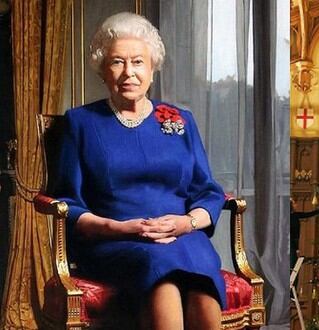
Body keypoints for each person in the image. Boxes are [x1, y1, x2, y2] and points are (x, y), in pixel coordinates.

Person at [55, 12, 224, 330]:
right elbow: (69, 204)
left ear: (152, 69)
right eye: (118, 62)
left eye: (138, 62)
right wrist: (121, 228)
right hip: (113, 241)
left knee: (200, 277)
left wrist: (186, 223)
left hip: (180, 235)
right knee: (159, 265)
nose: (128, 73)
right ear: (103, 70)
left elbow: (208, 191)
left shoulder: (179, 120)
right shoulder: (81, 123)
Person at [290, 198, 319, 270]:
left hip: (294, 242)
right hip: (290, 243)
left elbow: (309, 214)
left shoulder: (295, 215)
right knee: (292, 265)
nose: (296, 205)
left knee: (294, 265)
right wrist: (295, 248)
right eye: (294, 204)